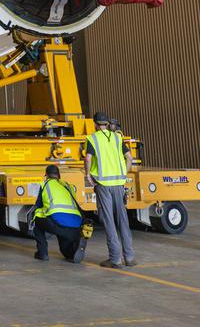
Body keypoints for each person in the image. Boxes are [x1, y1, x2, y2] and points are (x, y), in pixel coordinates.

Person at [84, 110, 136, 269]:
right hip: (119, 184)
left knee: (108, 220)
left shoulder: (92, 138)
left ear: (94, 124)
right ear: (107, 123)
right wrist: (123, 173)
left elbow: (88, 158)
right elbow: (130, 158)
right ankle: (129, 257)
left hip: (103, 185)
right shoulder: (117, 137)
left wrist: (88, 175)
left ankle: (115, 259)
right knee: (123, 220)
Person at [32, 164, 89, 264]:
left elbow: (39, 205)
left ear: (46, 175)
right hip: (76, 222)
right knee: (65, 250)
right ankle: (72, 252)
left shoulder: (45, 184)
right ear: (59, 175)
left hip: (57, 220)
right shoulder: (67, 185)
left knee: (37, 218)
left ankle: (43, 253)